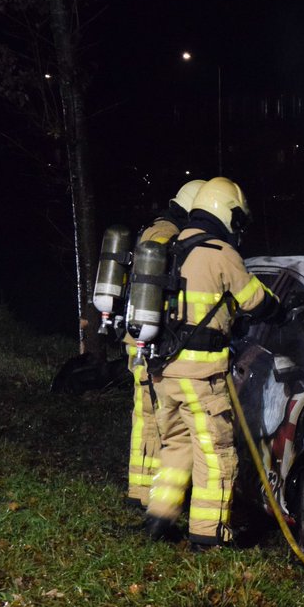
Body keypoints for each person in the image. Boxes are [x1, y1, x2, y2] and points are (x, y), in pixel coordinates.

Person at [144, 176, 279, 548]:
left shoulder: (174, 246)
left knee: (176, 446)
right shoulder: (220, 252)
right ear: (225, 210)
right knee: (216, 453)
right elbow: (254, 299)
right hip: (199, 374)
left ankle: (158, 520)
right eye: (238, 219)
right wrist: (280, 310)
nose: (238, 229)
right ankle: (208, 536)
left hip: (163, 371)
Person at [124, 179, 204, 507]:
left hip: (143, 337)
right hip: (149, 340)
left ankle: (141, 491)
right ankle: (147, 495)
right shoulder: (165, 234)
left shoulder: (157, 228)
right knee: (154, 420)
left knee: (146, 417)